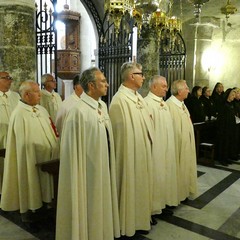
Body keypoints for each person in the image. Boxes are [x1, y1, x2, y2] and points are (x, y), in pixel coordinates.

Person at [56, 67, 120, 240]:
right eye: (103, 81)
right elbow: (71, 151)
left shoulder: (102, 106)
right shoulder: (78, 111)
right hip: (86, 171)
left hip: (102, 165)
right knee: (89, 204)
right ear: (91, 85)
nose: (107, 84)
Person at [1, 81, 59, 220]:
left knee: (45, 185)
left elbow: (52, 130)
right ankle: (28, 212)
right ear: (27, 94)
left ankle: (45, 205)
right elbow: (22, 144)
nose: (40, 95)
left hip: (48, 158)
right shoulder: (19, 114)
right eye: (37, 92)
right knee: (30, 182)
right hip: (30, 158)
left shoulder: (42, 110)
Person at [109, 62, 154, 237]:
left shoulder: (137, 97)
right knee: (130, 186)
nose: (143, 77)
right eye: (140, 74)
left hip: (142, 152)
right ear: (130, 76)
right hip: (130, 155)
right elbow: (120, 136)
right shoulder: (119, 100)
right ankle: (128, 223)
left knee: (142, 186)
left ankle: (141, 219)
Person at [144, 75, 178, 217]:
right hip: (156, 149)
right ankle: (153, 208)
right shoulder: (147, 103)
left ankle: (163, 204)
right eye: (163, 86)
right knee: (156, 177)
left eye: (166, 86)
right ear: (154, 87)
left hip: (166, 147)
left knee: (166, 175)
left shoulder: (163, 103)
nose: (166, 89)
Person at [166, 80, 198, 202]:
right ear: (179, 91)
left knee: (185, 168)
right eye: (186, 88)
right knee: (178, 169)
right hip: (177, 145)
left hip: (186, 143)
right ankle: (177, 195)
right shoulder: (170, 106)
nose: (189, 90)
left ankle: (183, 192)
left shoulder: (182, 104)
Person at [0, 71, 20, 193]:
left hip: (14, 136)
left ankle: (11, 191)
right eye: (6, 78)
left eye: (10, 78)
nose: (10, 80)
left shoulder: (16, 96)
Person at [216, 88, 237, 165]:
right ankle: (222, 159)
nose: (233, 96)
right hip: (224, 128)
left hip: (230, 127)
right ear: (228, 95)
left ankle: (227, 157)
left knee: (229, 143)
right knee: (224, 143)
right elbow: (221, 118)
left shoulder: (231, 104)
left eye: (234, 95)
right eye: (232, 95)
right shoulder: (224, 105)